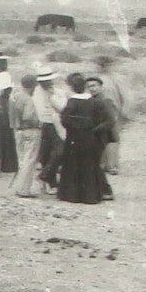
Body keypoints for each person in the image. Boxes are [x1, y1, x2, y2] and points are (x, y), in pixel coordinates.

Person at [56, 72, 107, 204]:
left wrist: (74, 127)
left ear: (72, 87)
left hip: (74, 138)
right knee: (89, 166)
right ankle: (90, 196)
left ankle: (72, 196)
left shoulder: (72, 102)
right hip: (90, 138)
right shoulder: (93, 102)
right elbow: (102, 119)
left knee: (73, 166)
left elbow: (65, 120)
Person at [8, 74, 44, 198]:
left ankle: (20, 187)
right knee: (30, 160)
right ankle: (24, 189)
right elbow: (27, 117)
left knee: (22, 160)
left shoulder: (14, 96)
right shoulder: (27, 99)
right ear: (33, 86)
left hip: (17, 131)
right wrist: (39, 123)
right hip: (30, 130)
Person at [33, 67, 68, 193]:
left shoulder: (59, 92)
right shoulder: (36, 93)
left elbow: (63, 108)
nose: (46, 84)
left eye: (48, 81)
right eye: (43, 81)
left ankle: (44, 176)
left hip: (57, 124)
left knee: (60, 151)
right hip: (43, 125)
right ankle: (50, 183)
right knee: (45, 154)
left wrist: (53, 97)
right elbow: (37, 111)